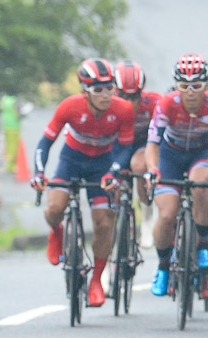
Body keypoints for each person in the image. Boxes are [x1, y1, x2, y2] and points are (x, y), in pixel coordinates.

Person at [32, 59, 136, 308]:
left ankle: (97, 280)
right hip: (72, 161)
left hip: (103, 165)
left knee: (104, 222)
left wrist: (114, 172)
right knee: (55, 208)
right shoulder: (70, 106)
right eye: (98, 90)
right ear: (85, 91)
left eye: (109, 88)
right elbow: (45, 143)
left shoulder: (123, 110)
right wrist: (38, 172)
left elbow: (125, 147)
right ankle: (57, 232)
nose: (105, 95)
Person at [145, 54, 208, 300]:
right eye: (184, 86)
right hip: (170, 155)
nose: (190, 92)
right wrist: (153, 170)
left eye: (197, 86)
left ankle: (203, 246)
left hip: (202, 152)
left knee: (201, 186)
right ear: (176, 86)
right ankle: (162, 266)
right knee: (168, 213)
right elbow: (152, 144)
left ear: (207, 85)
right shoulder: (166, 103)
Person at [114, 60, 161, 246]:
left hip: (142, 144)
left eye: (135, 97)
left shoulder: (154, 102)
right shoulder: (106, 104)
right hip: (118, 146)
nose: (129, 102)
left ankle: (147, 217)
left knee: (139, 165)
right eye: (124, 96)